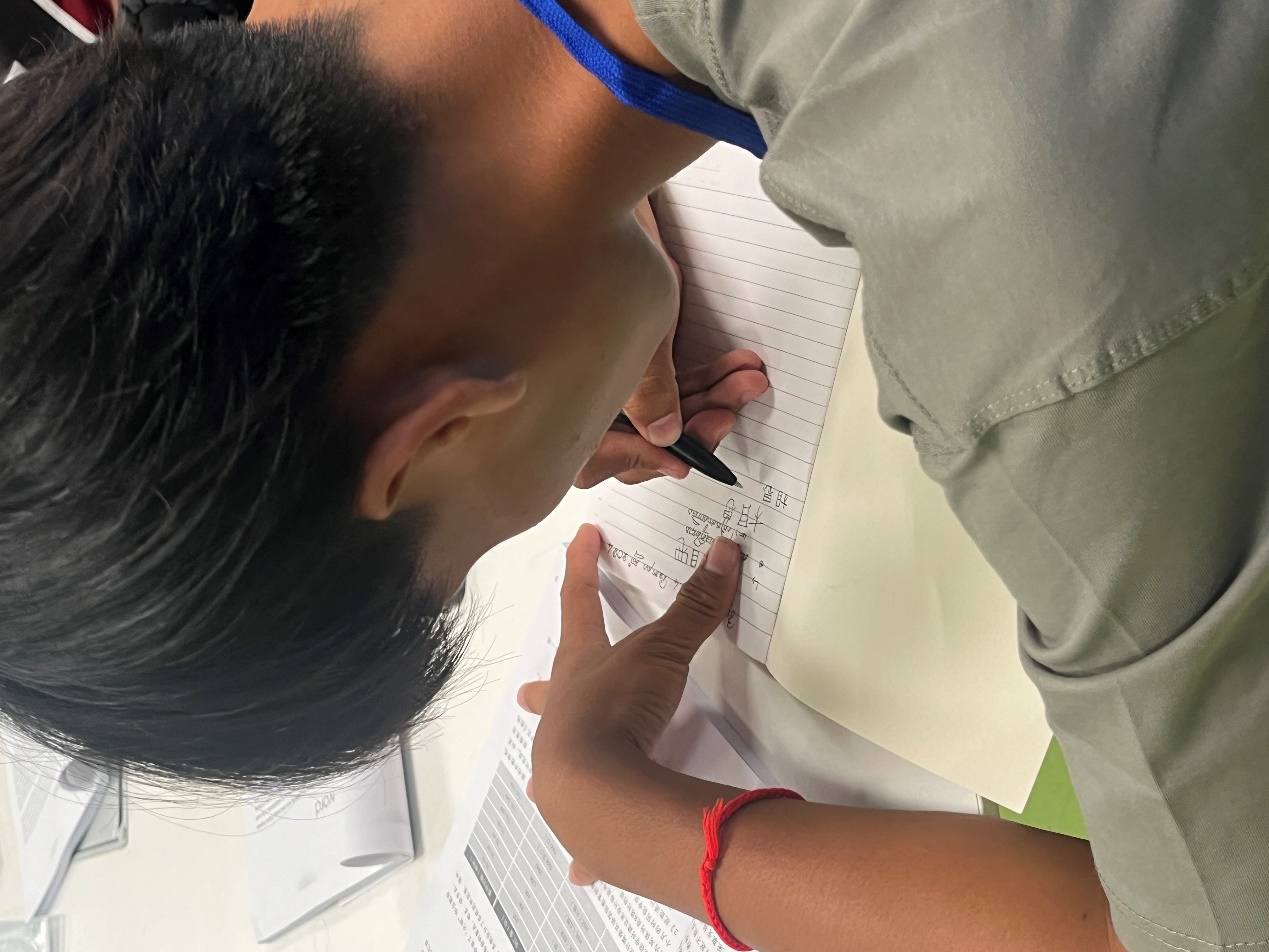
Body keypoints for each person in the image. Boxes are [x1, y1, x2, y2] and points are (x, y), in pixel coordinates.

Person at [0, 0, 1264, 948]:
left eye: (459, 559)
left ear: (436, 435)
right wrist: (553, 228)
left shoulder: (1033, 272)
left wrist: (643, 825)